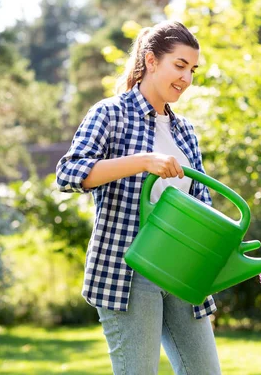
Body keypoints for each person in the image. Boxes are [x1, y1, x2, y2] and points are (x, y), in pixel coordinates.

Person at [56, 21, 222, 375]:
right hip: (128, 272)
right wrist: (144, 162)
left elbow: (201, 201)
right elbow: (68, 174)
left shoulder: (185, 131)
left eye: (192, 69)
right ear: (151, 60)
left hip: (182, 270)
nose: (187, 78)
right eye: (179, 65)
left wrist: (214, 262)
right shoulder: (110, 113)